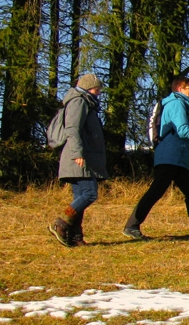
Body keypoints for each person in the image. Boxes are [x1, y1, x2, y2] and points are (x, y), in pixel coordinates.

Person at [122, 77, 189, 240]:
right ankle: (131, 225)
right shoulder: (177, 104)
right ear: (180, 89)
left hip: (175, 157)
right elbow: (183, 131)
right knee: (158, 190)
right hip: (170, 156)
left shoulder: (180, 104)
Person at [49, 73, 109, 247]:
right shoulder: (78, 101)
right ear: (89, 87)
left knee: (80, 197)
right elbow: (72, 129)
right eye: (98, 89)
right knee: (89, 194)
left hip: (82, 157)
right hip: (78, 158)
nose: (99, 92)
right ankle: (61, 222)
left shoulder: (86, 102)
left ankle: (75, 237)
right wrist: (78, 154)